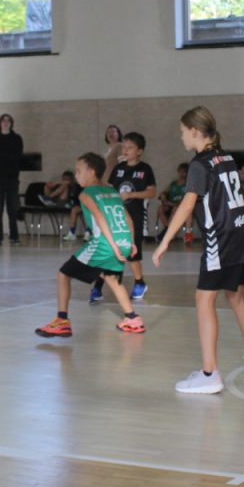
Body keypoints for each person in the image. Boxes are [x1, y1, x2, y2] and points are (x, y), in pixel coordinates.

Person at [152, 106, 244, 394]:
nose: (181, 137)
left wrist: (165, 240)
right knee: (236, 296)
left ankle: (209, 373)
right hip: (242, 234)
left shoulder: (199, 164)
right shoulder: (226, 158)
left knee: (204, 300)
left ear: (195, 131)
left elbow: (187, 204)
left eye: (182, 132)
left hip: (222, 239)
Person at [36, 153, 143, 337]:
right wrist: (131, 242)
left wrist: (112, 246)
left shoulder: (86, 194)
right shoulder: (112, 190)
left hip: (104, 244)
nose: (76, 175)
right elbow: (128, 218)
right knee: (111, 278)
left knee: (63, 274)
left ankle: (61, 321)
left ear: (92, 172)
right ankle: (132, 318)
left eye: (79, 171)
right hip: (123, 242)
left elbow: (100, 218)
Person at [96, 131, 155, 303]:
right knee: (109, 249)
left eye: (130, 147)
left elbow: (152, 192)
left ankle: (139, 282)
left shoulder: (145, 169)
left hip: (135, 216)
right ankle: (98, 286)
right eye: (124, 147)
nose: (126, 150)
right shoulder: (118, 168)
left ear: (140, 151)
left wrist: (131, 195)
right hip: (116, 216)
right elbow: (110, 188)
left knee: (132, 251)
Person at [0, 113, 23, 246]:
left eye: (8, 120)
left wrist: (14, 173)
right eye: (3, 120)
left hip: (12, 179)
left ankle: (14, 236)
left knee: (12, 208)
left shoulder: (17, 139)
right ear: (0, 123)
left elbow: (18, 157)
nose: (6, 122)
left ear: (11, 123)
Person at [157, 163, 188, 230]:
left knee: (175, 208)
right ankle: (168, 229)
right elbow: (164, 192)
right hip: (169, 205)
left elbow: (186, 200)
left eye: (184, 172)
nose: (182, 174)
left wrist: (173, 204)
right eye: (181, 171)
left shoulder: (187, 184)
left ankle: (167, 231)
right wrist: (163, 195)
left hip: (179, 206)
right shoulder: (173, 184)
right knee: (160, 208)